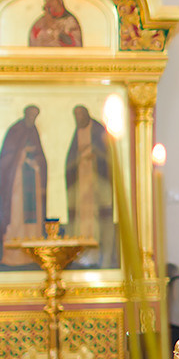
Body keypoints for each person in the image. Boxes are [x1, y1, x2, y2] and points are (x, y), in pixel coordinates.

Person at [0, 104, 47, 268]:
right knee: (17, 216)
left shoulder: (34, 131)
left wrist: (35, 160)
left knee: (33, 219)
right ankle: (15, 256)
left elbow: (40, 156)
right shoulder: (15, 130)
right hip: (17, 181)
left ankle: (33, 255)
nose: (32, 119)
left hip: (32, 179)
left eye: (35, 116)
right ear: (25, 114)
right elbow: (8, 157)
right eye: (31, 116)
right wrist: (23, 153)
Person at [65, 104, 116, 268]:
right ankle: (82, 255)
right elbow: (70, 161)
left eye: (80, 115)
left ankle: (100, 256)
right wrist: (79, 158)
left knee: (99, 218)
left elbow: (110, 158)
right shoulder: (77, 133)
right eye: (76, 116)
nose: (78, 118)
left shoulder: (98, 130)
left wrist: (95, 152)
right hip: (81, 184)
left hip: (98, 183)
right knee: (82, 218)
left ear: (87, 115)